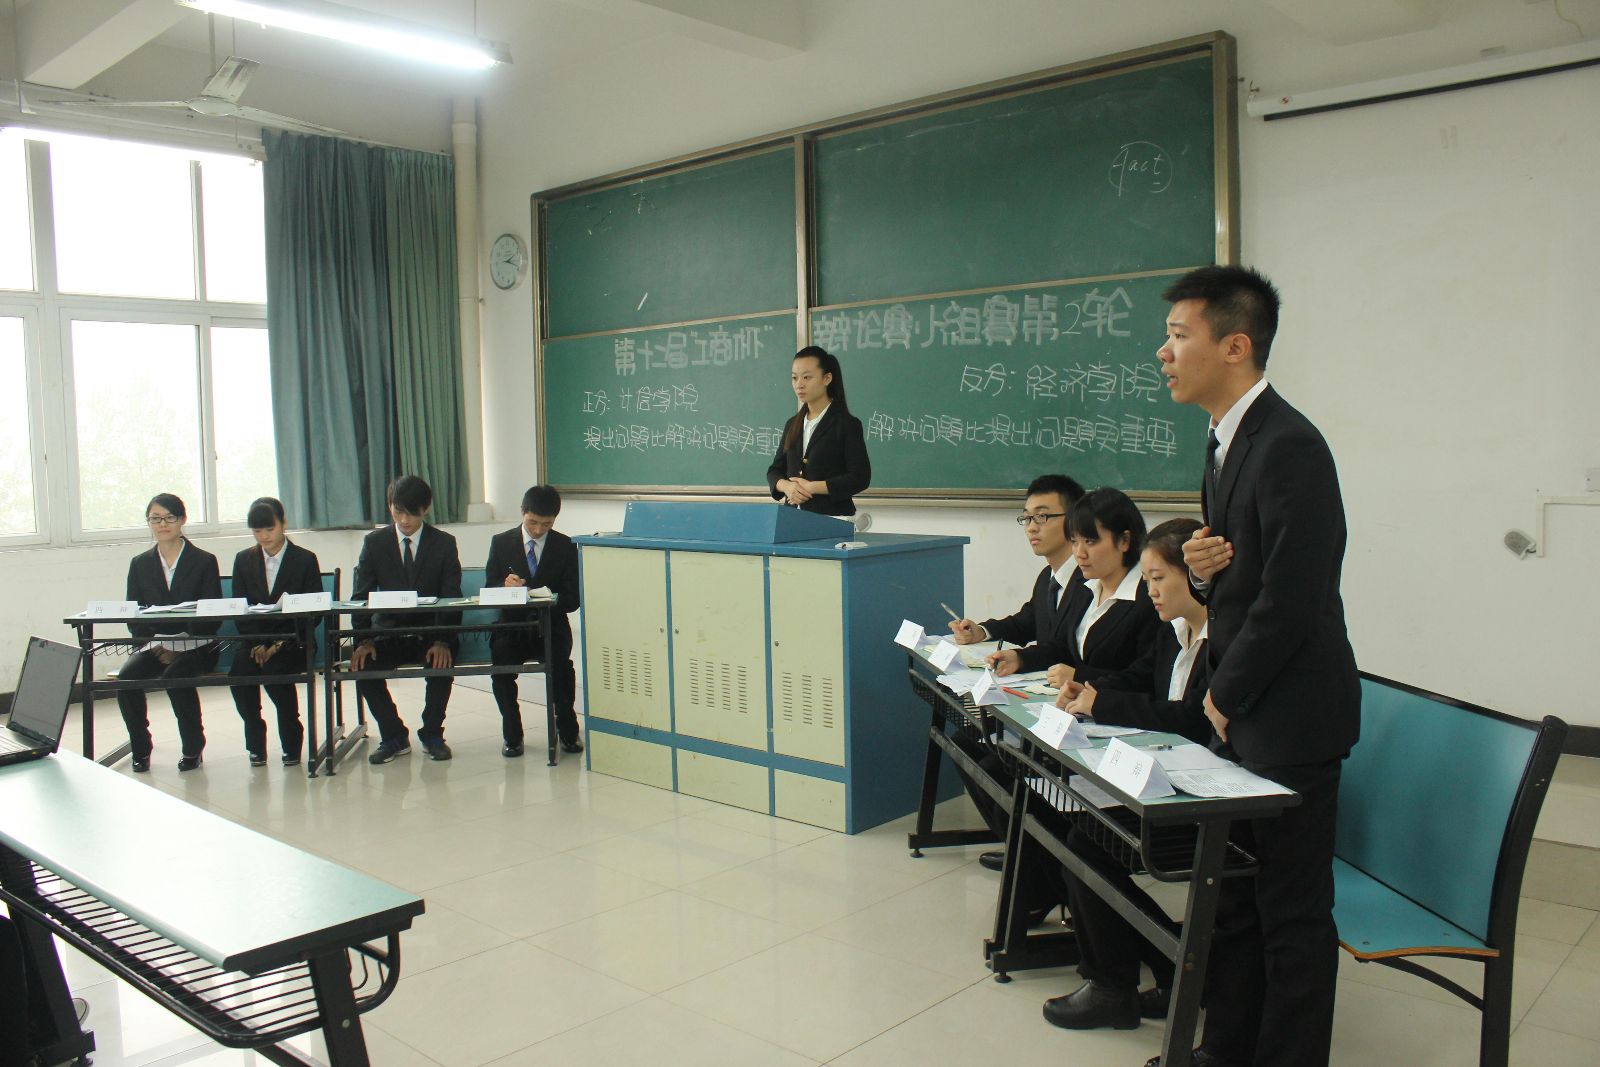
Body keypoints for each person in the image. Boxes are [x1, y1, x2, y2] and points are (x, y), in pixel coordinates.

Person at [1147, 265, 1359, 1067]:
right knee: (1234, 898)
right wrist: (1203, 575)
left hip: (1290, 716)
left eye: (1179, 335)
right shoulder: (1224, 439)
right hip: (1245, 710)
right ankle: (1225, 1049)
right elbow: (1240, 580)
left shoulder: (1289, 444)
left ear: (1235, 346)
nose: (1163, 351)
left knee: (1291, 914)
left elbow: (1295, 596)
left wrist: (1221, 696)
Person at [1040, 517, 1210, 1031]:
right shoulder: (1172, 632)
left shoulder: (1223, 642)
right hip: (1164, 783)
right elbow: (1141, 681)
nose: (1150, 590)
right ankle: (1162, 967)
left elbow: (1194, 720)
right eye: (1148, 579)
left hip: (1204, 802)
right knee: (1071, 826)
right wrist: (1090, 691)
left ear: (1196, 577)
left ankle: (1118, 983)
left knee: (1086, 841)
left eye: (1159, 578)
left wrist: (1104, 702)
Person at [945, 473, 1086, 882]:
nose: (1032, 528)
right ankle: (1027, 854)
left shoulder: (1089, 579)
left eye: (1043, 516)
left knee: (993, 759)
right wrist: (982, 631)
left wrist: (1021, 657)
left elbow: (1063, 648)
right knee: (966, 742)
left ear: (1074, 521)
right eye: (1026, 518)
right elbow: (1027, 620)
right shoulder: (1049, 577)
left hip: (1070, 703)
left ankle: (1038, 865)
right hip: (1046, 697)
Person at [351, 475, 463, 764]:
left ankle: (432, 734)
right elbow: (360, 597)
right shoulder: (374, 543)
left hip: (431, 633)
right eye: (398, 511)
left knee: (442, 664)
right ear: (390, 505)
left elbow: (452, 596)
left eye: (412, 513)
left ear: (426, 509)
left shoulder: (444, 543)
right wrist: (364, 640)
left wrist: (442, 640)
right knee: (362, 667)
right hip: (387, 634)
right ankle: (394, 736)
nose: (404, 520)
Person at [118, 493, 223, 773]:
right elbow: (134, 613)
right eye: (155, 519)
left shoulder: (204, 561)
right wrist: (154, 644)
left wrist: (180, 644)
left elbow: (212, 615)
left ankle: (193, 747)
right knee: (126, 680)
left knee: (175, 677)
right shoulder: (140, 563)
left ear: (182, 520)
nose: (162, 524)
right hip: (155, 645)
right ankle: (141, 748)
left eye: (169, 517)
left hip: (198, 643)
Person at [483, 485, 582, 757]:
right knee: (501, 669)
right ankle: (512, 734)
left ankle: (567, 729)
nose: (538, 530)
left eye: (546, 524)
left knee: (562, 669)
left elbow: (573, 599)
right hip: (512, 628)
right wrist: (504, 587)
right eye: (533, 523)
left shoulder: (565, 546)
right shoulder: (501, 543)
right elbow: (489, 590)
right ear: (523, 513)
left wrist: (548, 598)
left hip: (551, 626)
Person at [228, 496, 323, 768]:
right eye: (257, 531)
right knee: (239, 675)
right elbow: (240, 608)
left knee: (276, 675)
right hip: (254, 642)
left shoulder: (305, 559)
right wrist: (257, 643)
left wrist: (278, 643)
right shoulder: (243, 560)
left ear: (283, 524)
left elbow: (314, 611)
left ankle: (291, 743)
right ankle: (256, 743)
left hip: (294, 641)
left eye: (269, 529)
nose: (264, 537)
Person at [766, 345, 871, 516]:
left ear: (827, 378)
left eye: (807, 377)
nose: (799, 384)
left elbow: (860, 477)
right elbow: (775, 471)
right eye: (794, 378)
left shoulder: (846, 424)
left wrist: (813, 487)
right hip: (792, 518)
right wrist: (787, 487)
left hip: (832, 518)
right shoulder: (792, 424)